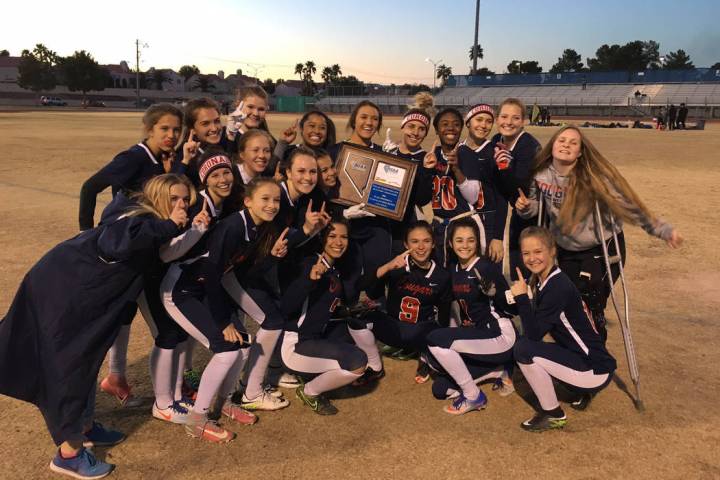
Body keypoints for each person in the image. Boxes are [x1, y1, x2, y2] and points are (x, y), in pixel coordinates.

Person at [1, 174, 191, 479]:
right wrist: (169, 226)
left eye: (185, 200)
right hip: (63, 293)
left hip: (79, 294)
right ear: (156, 197)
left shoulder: (145, 222)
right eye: (174, 199)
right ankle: (69, 454)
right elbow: (117, 243)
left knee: (87, 360)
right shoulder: (136, 220)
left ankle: (85, 426)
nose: (181, 206)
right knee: (69, 368)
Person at [515, 125, 683, 340]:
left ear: (580, 152)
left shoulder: (595, 177)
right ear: (552, 145)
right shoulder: (541, 175)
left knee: (589, 300)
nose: (566, 144)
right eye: (561, 140)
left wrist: (662, 230)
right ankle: (571, 351)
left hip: (600, 247)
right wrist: (526, 207)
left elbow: (629, 205)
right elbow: (535, 208)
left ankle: (596, 355)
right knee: (562, 299)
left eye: (573, 142)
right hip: (565, 249)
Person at [161, 177, 294, 442]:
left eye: (276, 200)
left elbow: (240, 271)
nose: (272, 205)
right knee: (225, 351)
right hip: (181, 291)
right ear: (248, 201)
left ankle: (223, 402)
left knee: (243, 346)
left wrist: (273, 257)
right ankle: (197, 420)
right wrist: (224, 322)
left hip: (204, 289)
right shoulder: (233, 227)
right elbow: (211, 275)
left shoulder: (258, 228)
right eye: (265, 199)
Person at [78, 103, 184, 407]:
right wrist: (86, 233)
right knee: (114, 319)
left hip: (144, 249)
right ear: (149, 129)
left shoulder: (162, 160)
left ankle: (116, 376)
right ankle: (108, 385)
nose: (171, 134)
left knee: (123, 315)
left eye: (176, 129)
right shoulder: (134, 157)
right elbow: (90, 187)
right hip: (123, 250)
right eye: (164, 128)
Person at [147, 149, 240, 422]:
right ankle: (164, 402)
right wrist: (196, 230)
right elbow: (167, 252)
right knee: (168, 337)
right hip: (161, 280)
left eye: (227, 173)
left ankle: (175, 396)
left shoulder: (222, 206)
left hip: (185, 280)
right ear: (204, 181)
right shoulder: (198, 205)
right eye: (215, 175)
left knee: (178, 337)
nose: (223, 179)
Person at [510, 226, 617, 432]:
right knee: (535, 346)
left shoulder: (557, 286)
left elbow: (533, 335)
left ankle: (553, 414)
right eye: (526, 253)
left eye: (538, 251)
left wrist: (522, 298)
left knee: (523, 349)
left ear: (552, 251)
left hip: (594, 368)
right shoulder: (547, 280)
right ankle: (578, 392)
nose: (532, 258)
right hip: (591, 359)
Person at [426, 218, 516, 415]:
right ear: (450, 243)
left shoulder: (485, 267)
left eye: (470, 240)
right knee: (440, 388)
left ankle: (473, 396)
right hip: (479, 336)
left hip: (499, 335)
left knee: (436, 341)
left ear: (478, 242)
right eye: (459, 240)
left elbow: (513, 309)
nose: (465, 245)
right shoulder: (454, 268)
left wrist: (497, 294)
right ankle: (499, 369)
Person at [346, 221, 452, 384]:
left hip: (421, 332)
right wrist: (388, 267)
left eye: (426, 241)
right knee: (356, 320)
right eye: (415, 241)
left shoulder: (441, 275)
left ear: (433, 244)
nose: (421, 247)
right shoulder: (397, 265)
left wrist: (438, 345)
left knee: (437, 330)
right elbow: (360, 285)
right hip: (394, 327)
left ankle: (425, 356)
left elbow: (444, 315)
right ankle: (375, 367)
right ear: (406, 244)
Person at [280, 219, 368, 415]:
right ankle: (309, 392)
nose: (338, 242)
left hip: (313, 338)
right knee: (358, 362)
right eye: (332, 236)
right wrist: (308, 280)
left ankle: (309, 374)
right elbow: (286, 308)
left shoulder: (334, 268)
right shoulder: (310, 264)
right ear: (321, 238)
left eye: (343, 237)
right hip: (295, 344)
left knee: (351, 331)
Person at [491, 98, 541, 280]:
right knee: (516, 268)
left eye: (515, 118)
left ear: (524, 121)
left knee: (530, 267)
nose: (509, 122)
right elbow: (501, 188)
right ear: (497, 119)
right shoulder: (497, 140)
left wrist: (504, 168)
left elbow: (521, 187)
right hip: (517, 208)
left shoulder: (528, 145)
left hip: (535, 212)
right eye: (504, 116)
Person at [457, 103, 507, 264]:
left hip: (488, 223)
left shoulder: (495, 152)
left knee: (489, 279)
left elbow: (502, 198)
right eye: (479, 119)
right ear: (468, 122)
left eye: (488, 121)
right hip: (462, 223)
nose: (483, 125)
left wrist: (498, 237)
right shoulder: (456, 150)